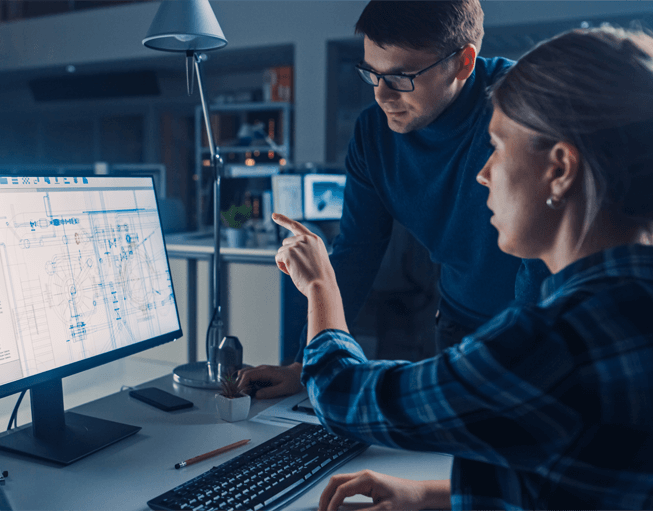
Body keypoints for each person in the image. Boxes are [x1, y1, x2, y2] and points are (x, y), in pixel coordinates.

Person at [273, 26, 653, 510]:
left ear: (559, 168)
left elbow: (343, 397)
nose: (483, 171)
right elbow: (581, 477)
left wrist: (320, 282)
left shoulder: (549, 345)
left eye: (497, 146)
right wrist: (432, 496)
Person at [238, 0, 549, 398]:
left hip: (537, 323)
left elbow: (541, 259)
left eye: (402, 77)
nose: (382, 96)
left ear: (463, 63)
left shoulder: (523, 108)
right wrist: (305, 363)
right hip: (458, 322)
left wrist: (526, 355)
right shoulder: (373, 135)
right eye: (372, 74)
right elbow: (356, 251)